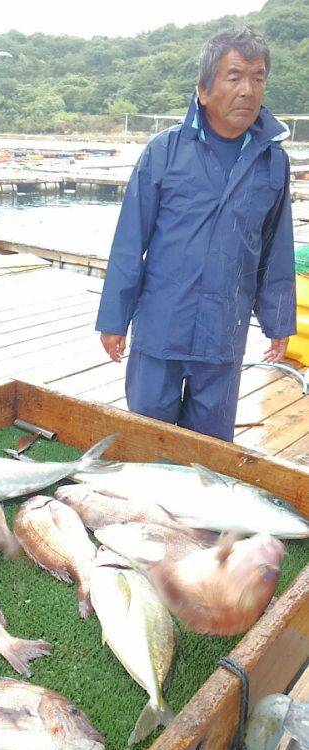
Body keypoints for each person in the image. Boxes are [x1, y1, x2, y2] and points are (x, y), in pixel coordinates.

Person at [96, 27, 296, 442]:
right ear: (203, 90)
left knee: (209, 446)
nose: (247, 89)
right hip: (160, 327)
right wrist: (114, 319)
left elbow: (275, 251)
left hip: (224, 334)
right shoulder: (163, 151)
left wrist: (279, 321)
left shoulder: (272, 163)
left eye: (258, 78)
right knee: (148, 434)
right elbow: (129, 243)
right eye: (234, 76)